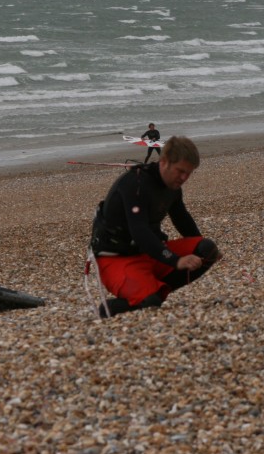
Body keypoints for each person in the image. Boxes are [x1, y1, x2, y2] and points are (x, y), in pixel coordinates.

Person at [89, 136, 220, 318]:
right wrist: (175, 261)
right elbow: (139, 231)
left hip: (149, 253)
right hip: (116, 258)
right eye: (180, 171)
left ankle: (153, 288)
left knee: (207, 249)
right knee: (150, 302)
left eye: (189, 173)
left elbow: (182, 220)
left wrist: (203, 250)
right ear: (164, 162)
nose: (184, 178)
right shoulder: (135, 184)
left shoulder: (172, 186)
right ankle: (116, 306)